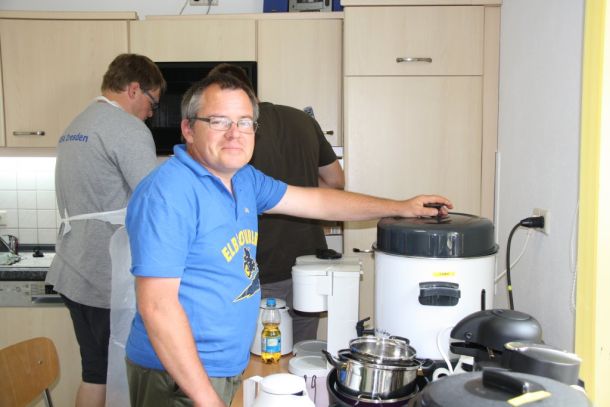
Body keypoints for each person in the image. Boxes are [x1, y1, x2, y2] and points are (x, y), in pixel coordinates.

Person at [124, 73, 452, 407]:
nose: (234, 133)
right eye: (219, 121)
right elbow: (157, 307)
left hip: (220, 366)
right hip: (176, 373)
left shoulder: (244, 179)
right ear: (189, 128)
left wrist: (401, 207)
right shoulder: (168, 193)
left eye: (244, 122)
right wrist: (208, 400)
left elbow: (319, 202)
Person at [45, 53, 166, 407]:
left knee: (94, 373)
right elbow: (154, 203)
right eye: (152, 102)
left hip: (73, 269)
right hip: (105, 277)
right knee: (121, 377)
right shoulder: (128, 129)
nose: (151, 113)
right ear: (133, 89)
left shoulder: (77, 124)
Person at [208, 63, 345, 344]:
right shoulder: (302, 120)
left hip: (261, 266)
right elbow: (335, 181)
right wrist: (299, 194)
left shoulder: (234, 136)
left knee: (262, 353)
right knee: (304, 351)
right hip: (309, 260)